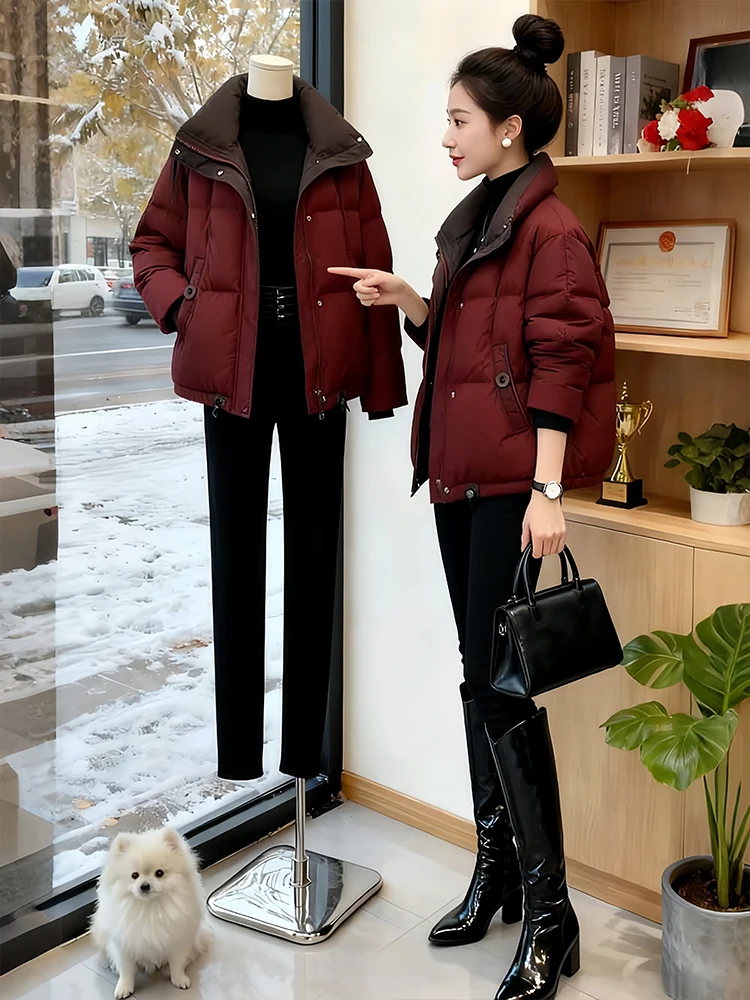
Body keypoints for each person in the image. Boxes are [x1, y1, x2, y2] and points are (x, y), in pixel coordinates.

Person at [328, 14, 615, 1000]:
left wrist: (547, 489)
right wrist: (413, 301)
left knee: (501, 685)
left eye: (458, 119)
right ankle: (497, 872)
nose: (444, 136)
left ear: (508, 127)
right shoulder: (481, 215)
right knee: (478, 676)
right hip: (462, 479)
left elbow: (561, 360)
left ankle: (553, 914)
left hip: (508, 490)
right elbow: (471, 357)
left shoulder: (548, 226)